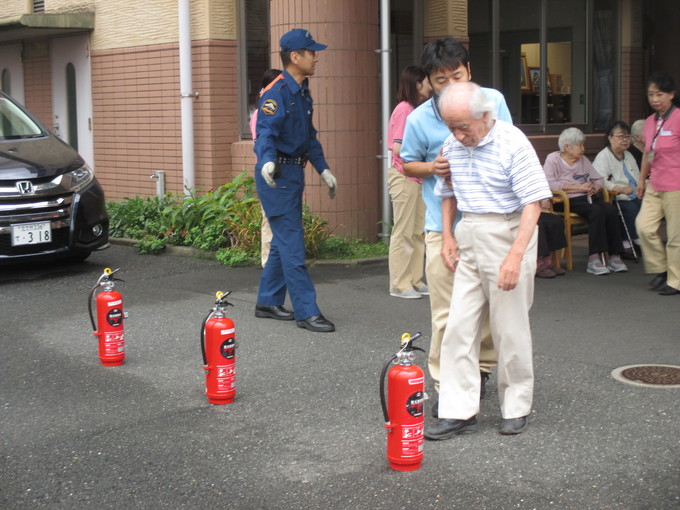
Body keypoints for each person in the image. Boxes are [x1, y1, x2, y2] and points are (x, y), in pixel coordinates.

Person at [424, 81, 551, 439]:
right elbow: (447, 192)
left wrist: (515, 256)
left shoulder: (512, 142)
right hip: (470, 231)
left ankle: (516, 405)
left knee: (509, 328)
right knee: (458, 327)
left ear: (485, 116)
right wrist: (448, 235)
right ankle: (457, 410)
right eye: (450, 126)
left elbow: (533, 203)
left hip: (508, 230)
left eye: (463, 126)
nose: (457, 134)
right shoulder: (452, 144)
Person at [401, 37, 512, 415]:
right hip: (441, 226)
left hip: (490, 223)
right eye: (440, 79)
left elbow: (510, 149)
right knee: (447, 310)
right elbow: (406, 163)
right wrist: (433, 167)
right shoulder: (418, 119)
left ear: (470, 72)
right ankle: (446, 380)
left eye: (457, 75)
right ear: (428, 81)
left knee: (489, 306)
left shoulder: (493, 102)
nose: (450, 84)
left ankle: (480, 370)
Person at [253, 28, 338, 332]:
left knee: (282, 242)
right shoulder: (276, 91)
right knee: (292, 244)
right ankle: (307, 311)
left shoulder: (302, 90)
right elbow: (265, 133)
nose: (316, 57)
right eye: (311, 52)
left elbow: (309, 137)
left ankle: (267, 301)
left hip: (293, 172)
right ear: (295, 57)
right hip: (276, 176)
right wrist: (266, 161)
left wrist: (323, 169)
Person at [543, 127, 628, 275]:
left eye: (583, 145)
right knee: (596, 211)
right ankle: (594, 258)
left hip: (587, 198)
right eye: (580, 145)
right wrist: (577, 187)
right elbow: (549, 184)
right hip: (566, 200)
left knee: (610, 209)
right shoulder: (553, 159)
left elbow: (599, 179)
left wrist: (595, 187)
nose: (583, 149)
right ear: (567, 146)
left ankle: (614, 256)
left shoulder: (583, 160)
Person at [387, 65, 432, 299]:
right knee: (404, 231)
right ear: (417, 84)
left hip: (414, 176)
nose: (430, 87)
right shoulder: (405, 109)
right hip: (404, 176)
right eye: (427, 82)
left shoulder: (412, 109)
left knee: (416, 231)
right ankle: (400, 284)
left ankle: (415, 279)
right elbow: (397, 146)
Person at [636, 72, 680, 296]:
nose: (654, 99)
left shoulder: (679, 118)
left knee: (675, 236)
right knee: (643, 226)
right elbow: (648, 153)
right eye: (651, 94)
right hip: (655, 183)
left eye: (659, 94)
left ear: (671, 95)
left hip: (676, 184)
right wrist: (642, 180)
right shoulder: (651, 121)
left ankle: (676, 280)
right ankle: (661, 269)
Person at [592, 120, 642, 259]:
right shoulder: (603, 157)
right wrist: (618, 188)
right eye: (621, 136)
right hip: (617, 195)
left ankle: (636, 238)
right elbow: (600, 180)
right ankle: (626, 243)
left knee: (644, 206)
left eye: (627, 137)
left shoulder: (629, 155)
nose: (625, 140)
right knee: (631, 209)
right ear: (610, 137)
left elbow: (637, 176)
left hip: (634, 193)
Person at [250, 68, 282, 268]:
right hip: (268, 169)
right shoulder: (262, 113)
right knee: (270, 218)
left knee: (279, 219)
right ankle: (268, 263)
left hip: (281, 169)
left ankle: (277, 263)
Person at [535, 201, 567, 278]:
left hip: (534, 209)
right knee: (538, 224)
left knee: (556, 221)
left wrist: (544, 200)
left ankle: (547, 261)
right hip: (518, 212)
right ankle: (537, 263)